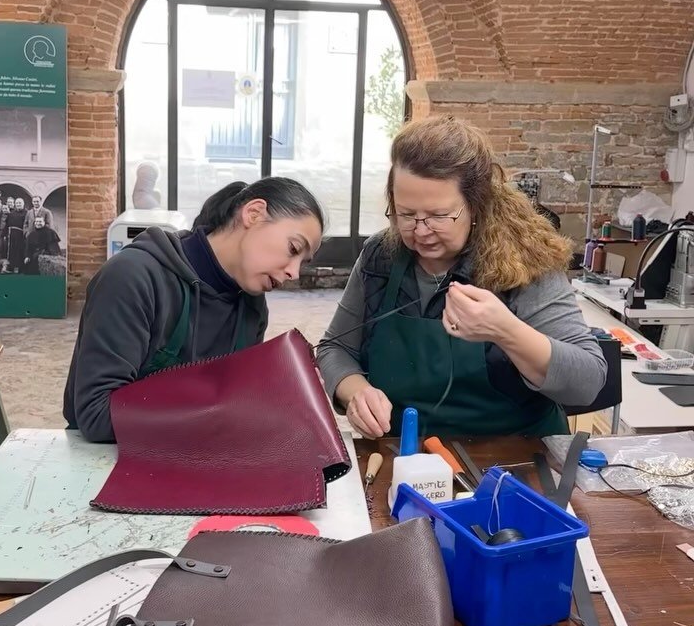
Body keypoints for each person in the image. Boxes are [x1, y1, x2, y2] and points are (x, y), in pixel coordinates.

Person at [318, 116, 607, 440]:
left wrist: (506, 331)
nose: (421, 230)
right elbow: (334, 348)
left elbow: (587, 382)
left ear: (476, 205)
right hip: (404, 456)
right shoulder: (380, 256)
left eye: (439, 216)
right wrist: (354, 391)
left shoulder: (527, 258)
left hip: (515, 462)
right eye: (406, 213)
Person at [64, 177, 324, 443]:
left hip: (195, 461)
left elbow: (235, 406)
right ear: (253, 213)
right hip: (104, 464)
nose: (294, 272)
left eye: (303, 262)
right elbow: (97, 416)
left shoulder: (252, 307)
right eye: (293, 248)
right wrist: (224, 407)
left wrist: (272, 391)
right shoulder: (133, 277)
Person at [5, 197, 26, 273]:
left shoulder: (26, 213)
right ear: (15, 204)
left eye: (20, 203)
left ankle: (17, 267)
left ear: (23, 204)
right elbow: (7, 224)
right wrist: (5, 234)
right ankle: (10, 266)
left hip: (21, 235)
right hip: (11, 234)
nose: (18, 204)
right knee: (11, 250)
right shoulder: (11, 213)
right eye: (17, 203)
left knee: (19, 251)